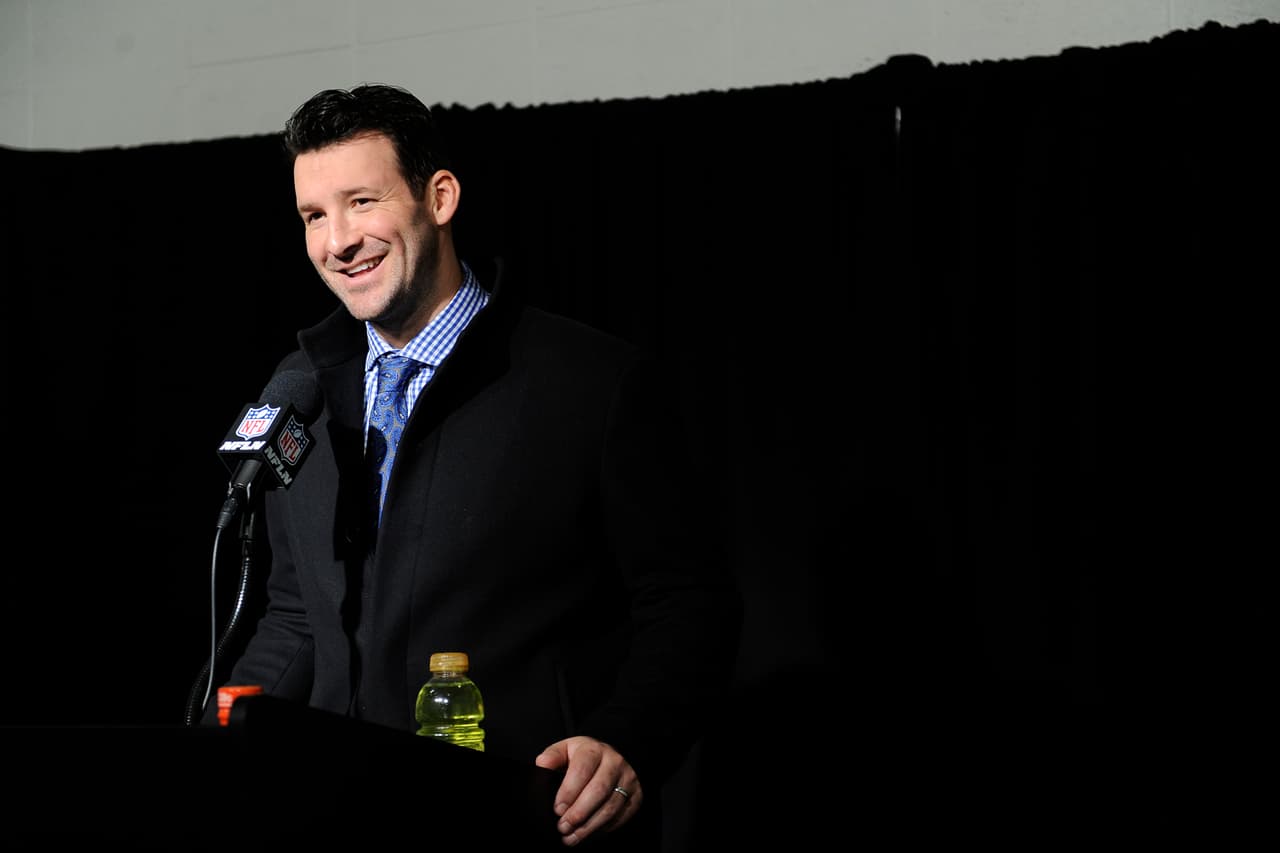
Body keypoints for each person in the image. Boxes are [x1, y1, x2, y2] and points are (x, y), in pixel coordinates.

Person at [202, 82, 741, 850]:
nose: (337, 241)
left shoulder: (588, 382)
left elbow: (689, 601)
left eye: (361, 201)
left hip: (518, 822)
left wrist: (628, 740)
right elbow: (296, 617)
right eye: (314, 216)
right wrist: (209, 737)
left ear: (440, 197)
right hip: (332, 822)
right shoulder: (303, 396)